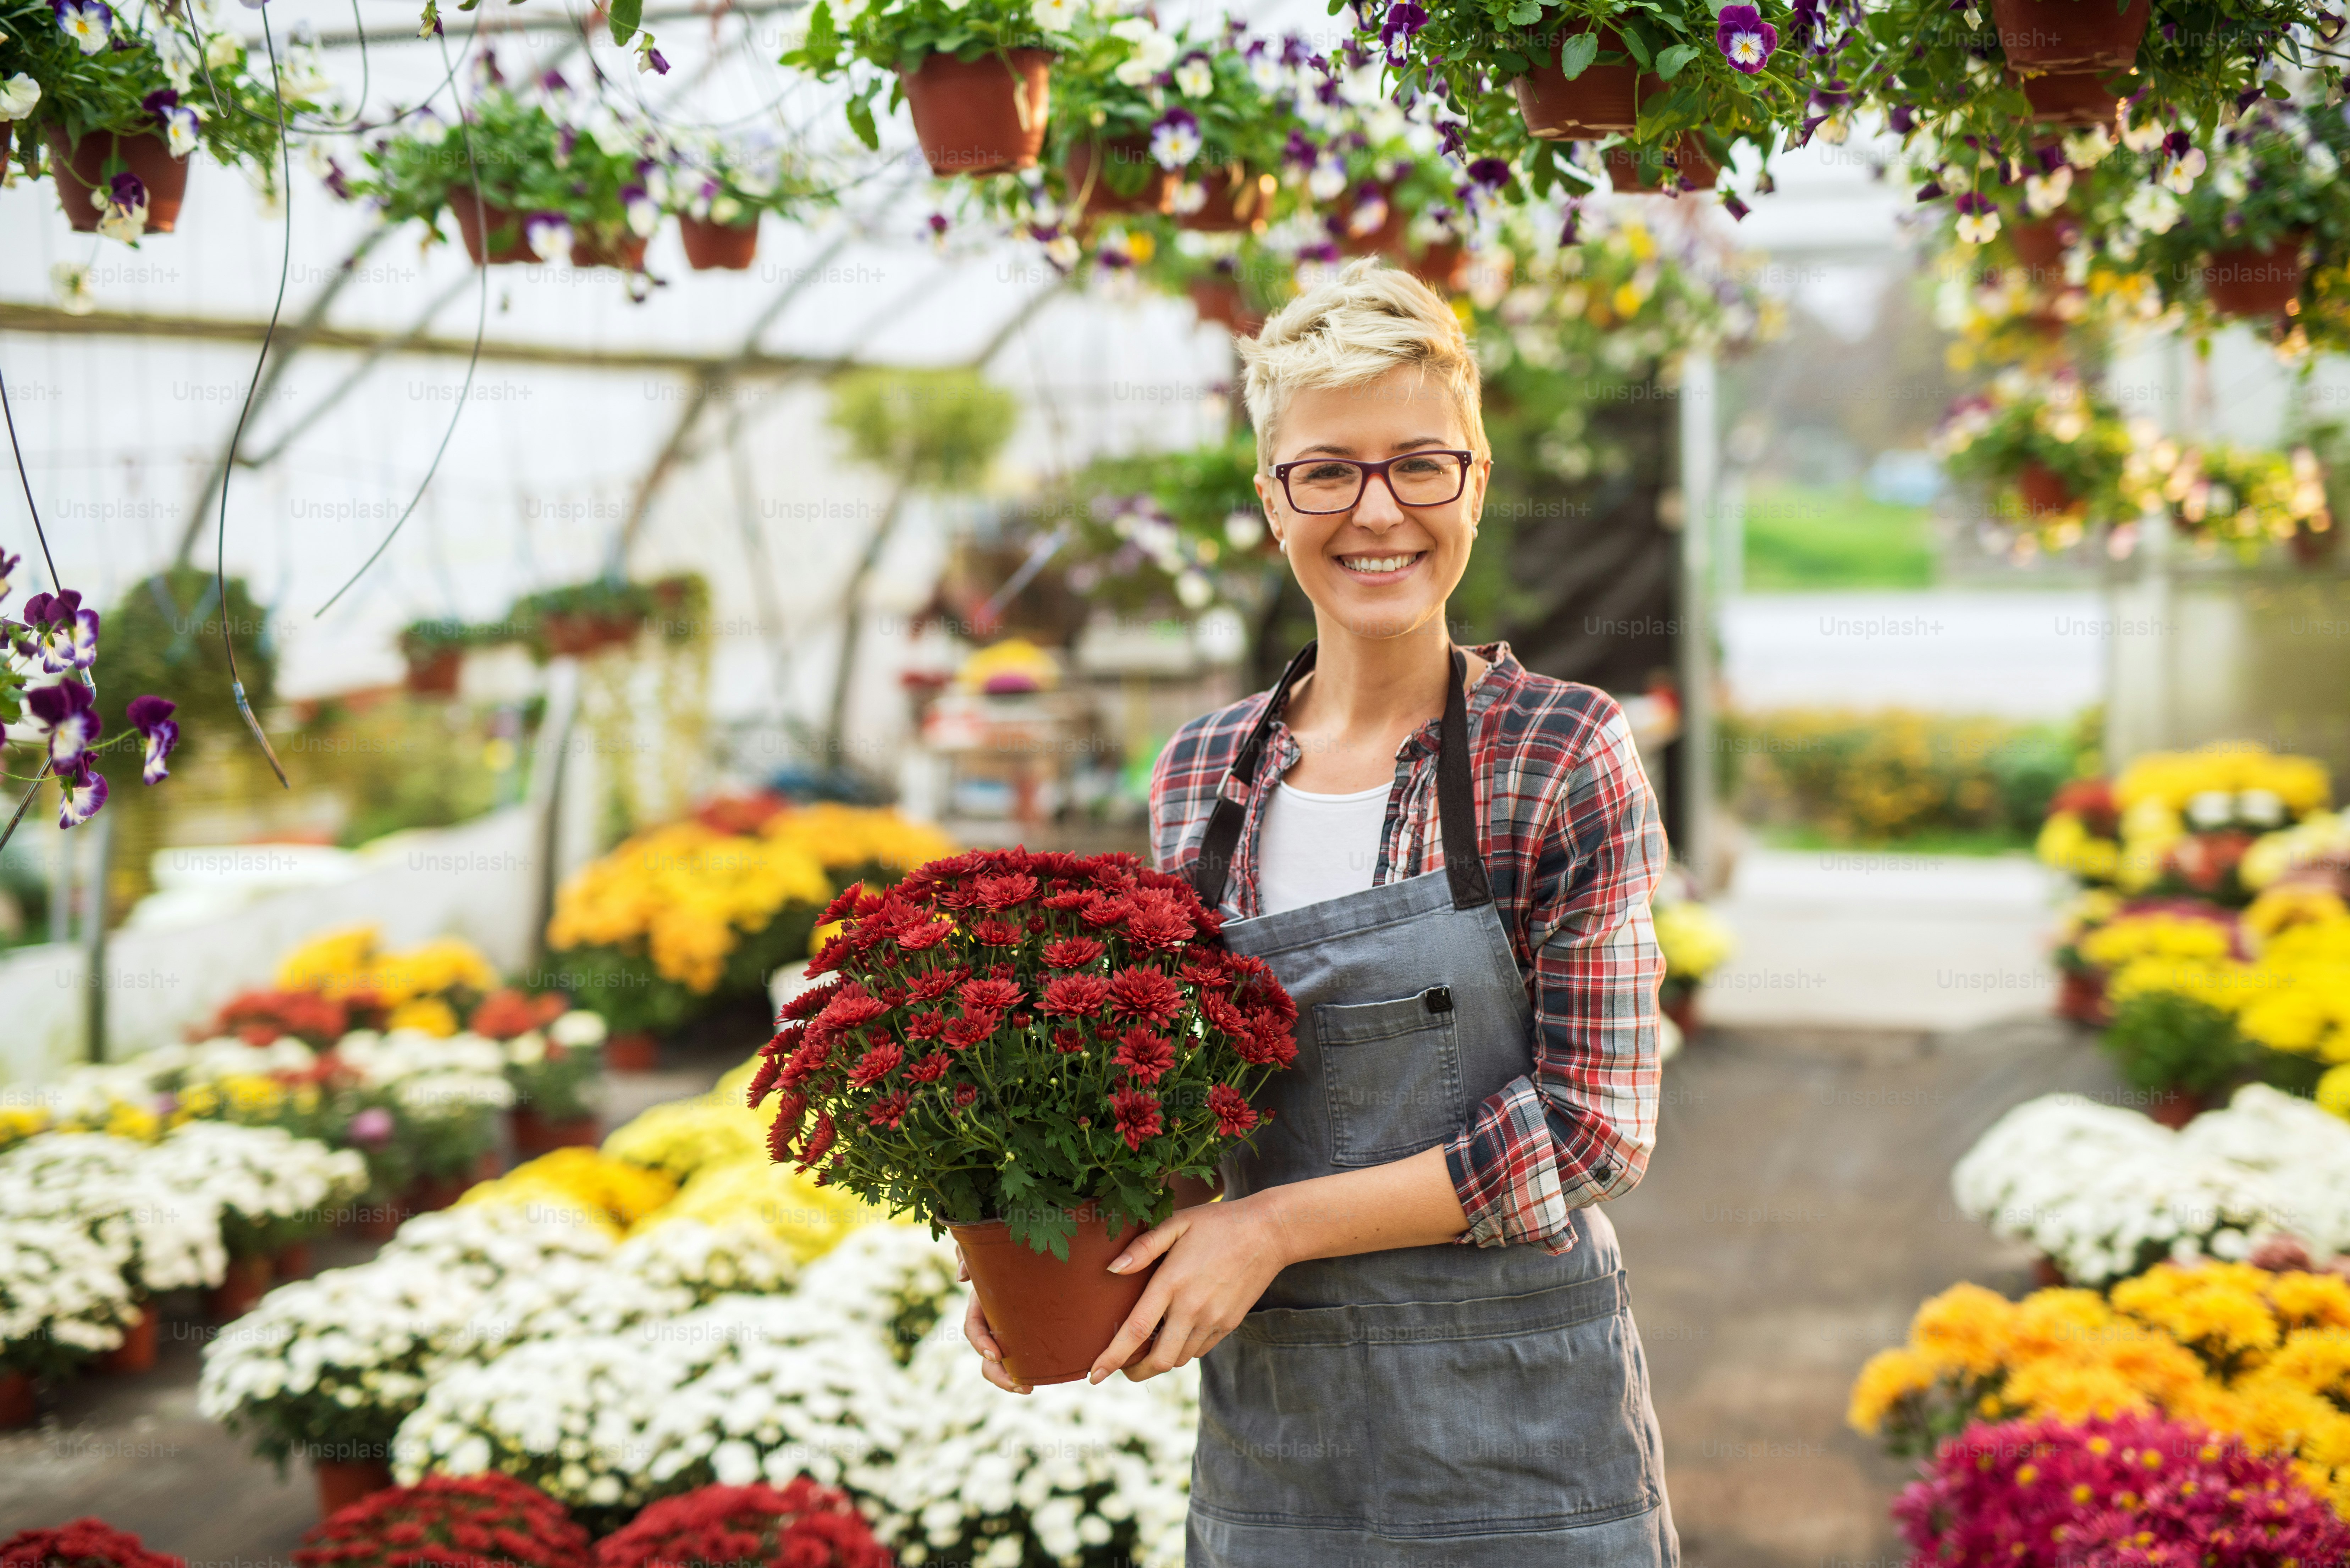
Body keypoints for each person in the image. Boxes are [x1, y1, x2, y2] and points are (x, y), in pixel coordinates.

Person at [960, 259, 1677, 1566]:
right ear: (1270, 500)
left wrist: (1274, 1226)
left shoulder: (1560, 750)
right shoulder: (1201, 773)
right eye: (1327, 470)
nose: (1377, 511)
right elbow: (1178, 1101)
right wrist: (1044, 1261)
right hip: (1280, 1449)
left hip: (1524, 1449)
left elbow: (1593, 1131)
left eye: (1421, 463)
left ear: (1477, 475)